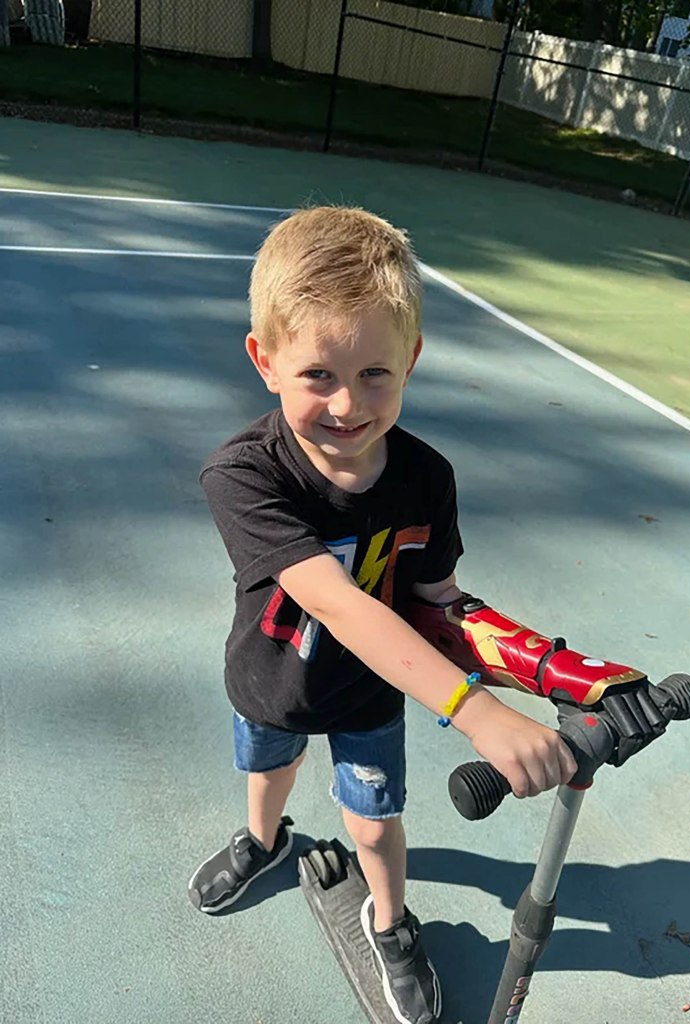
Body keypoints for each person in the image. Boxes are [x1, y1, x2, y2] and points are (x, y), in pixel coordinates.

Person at [188, 206, 576, 1024]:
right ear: (264, 361)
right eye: (318, 375)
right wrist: (477, 714)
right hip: (270, 682)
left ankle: (390, 921)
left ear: (412, 360)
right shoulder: (243, 475)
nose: (346, 404)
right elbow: (331, 598)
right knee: (267, 775)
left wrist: (554, 671)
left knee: (372, 829)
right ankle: (264, 844)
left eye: (375, 374)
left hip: (370, 698)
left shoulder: (426, 476)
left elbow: (440, 603)